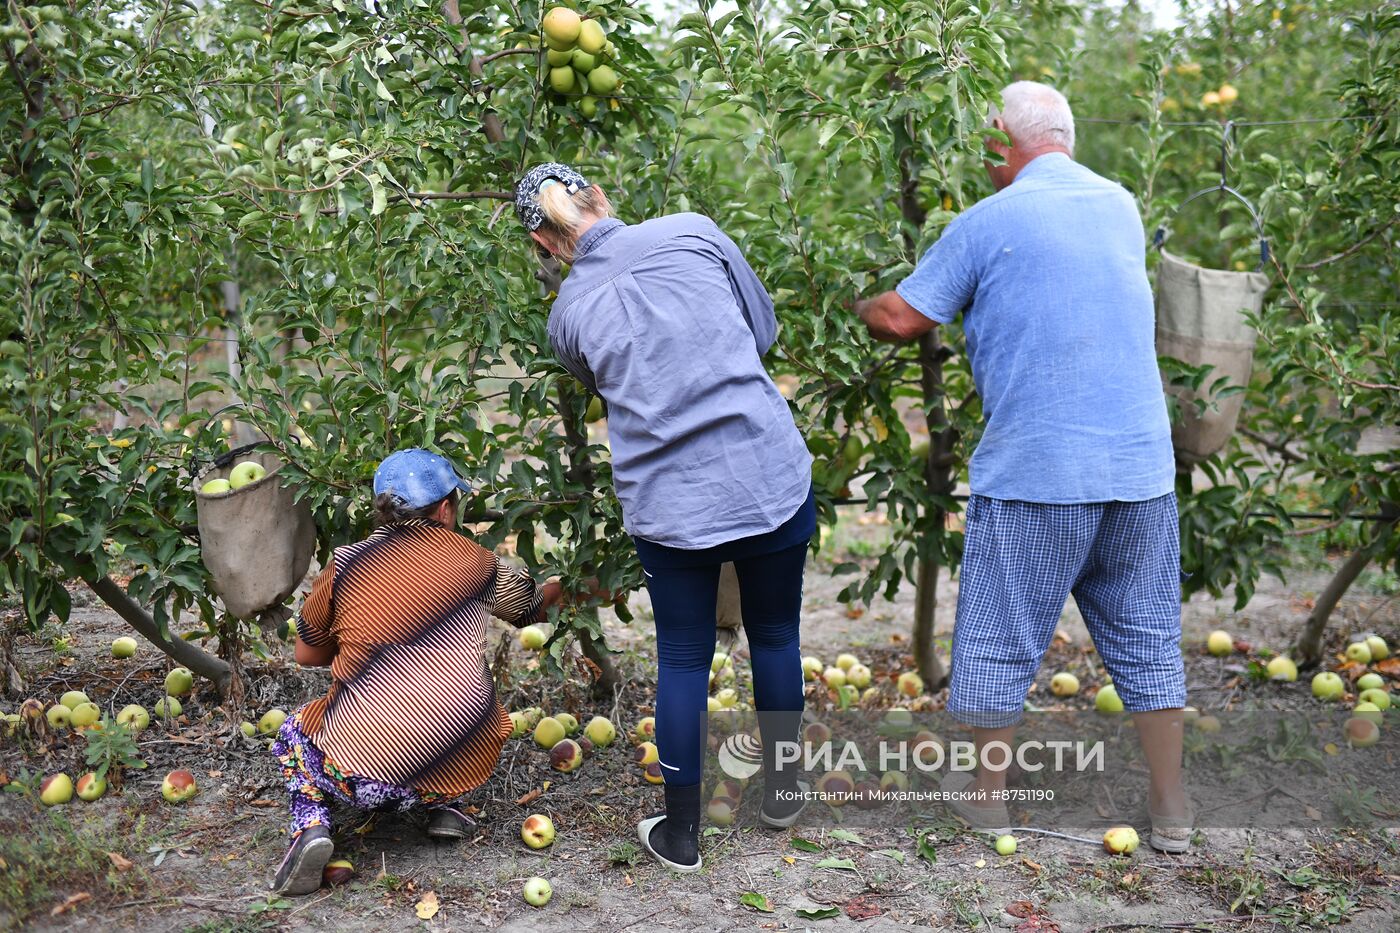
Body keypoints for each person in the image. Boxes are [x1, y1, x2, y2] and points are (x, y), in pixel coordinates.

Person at [851, 82, 1190, 852]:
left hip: (1040, 471)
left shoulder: (989, 221)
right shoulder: (1122, 205)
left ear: (1003, 139)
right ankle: (1173, 811)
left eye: (986, 140)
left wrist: (855, 305)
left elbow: (905, 317)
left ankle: (985, 800)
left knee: (1001, 638)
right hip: (1140, 470)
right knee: (1147, 639)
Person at [513, 163, 815, 871]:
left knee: (683, 656)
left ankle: (681, 836)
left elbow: (610, 387)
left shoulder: (568, 316)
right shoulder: (693, 233)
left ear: (545, 241)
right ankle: (783, 790)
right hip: (765, 471)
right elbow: (761, 331)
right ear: (602, 196)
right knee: (776, 634)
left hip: (673, 503)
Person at [269, 448, 573, 895]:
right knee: (457, 696)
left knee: (293, 734)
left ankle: (311, 829)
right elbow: (531, 608)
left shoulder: (348, 562)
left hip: (359, 778)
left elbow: (307, 656)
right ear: (447, 508)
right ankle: (447, 805)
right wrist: (579, 581)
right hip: (461, 758)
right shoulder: (479, 563)